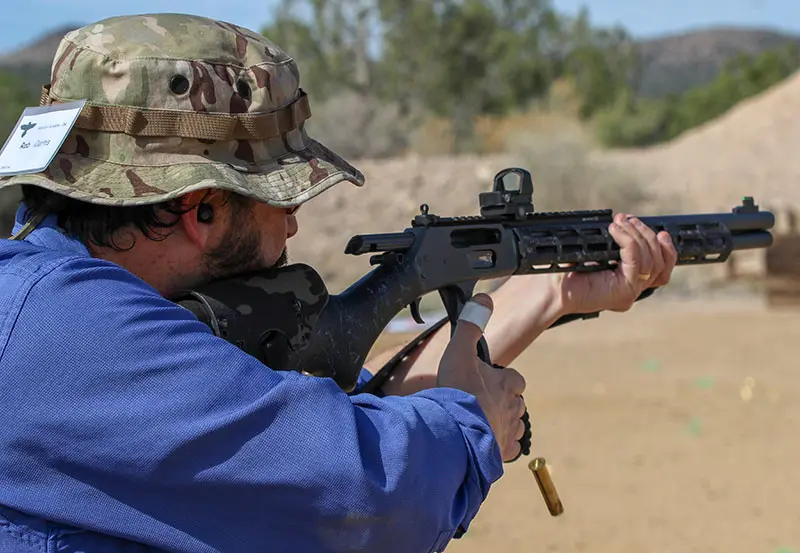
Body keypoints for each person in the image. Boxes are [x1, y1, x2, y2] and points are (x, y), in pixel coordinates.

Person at [0, 13, 677, 553]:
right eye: (280, 197)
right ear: (199, 209)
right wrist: (470, 426)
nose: (293, 223)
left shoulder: (69, 308)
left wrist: (553, 293)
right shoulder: (75, 332)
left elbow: (303, 421)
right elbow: (361, 492)